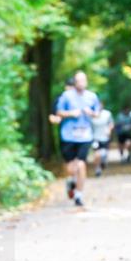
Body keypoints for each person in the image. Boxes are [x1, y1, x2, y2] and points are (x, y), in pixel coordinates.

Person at [54, 71, 100, 206]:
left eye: (84, 80)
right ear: (75, 82)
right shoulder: (66, 96)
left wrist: (91, 113)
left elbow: (97, 113)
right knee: (71, 168)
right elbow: (58, 112)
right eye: (79, 81)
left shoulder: (92, 97)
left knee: (81, 164)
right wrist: (70, 113)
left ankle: (79, 195)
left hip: (85, 135)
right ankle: (71, 180)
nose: (82, 83)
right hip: (68, 135)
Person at [49, 77, 75, 199]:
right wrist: (58, 119)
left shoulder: (83, 99)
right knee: (68, 160)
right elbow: (53, 117)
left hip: (82, 136)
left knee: (78, 161)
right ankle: (70, 179)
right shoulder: (59, 100)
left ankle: (76, 184)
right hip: (66, 135)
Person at [90, 102, 115, 177]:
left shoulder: (107, 114)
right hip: (95, 137)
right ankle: (97, 169)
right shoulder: (91, 114)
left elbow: (111, 124)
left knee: (104, 153)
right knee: (97, 154)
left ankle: (103, 162)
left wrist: (109, 130)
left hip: (105, 137)